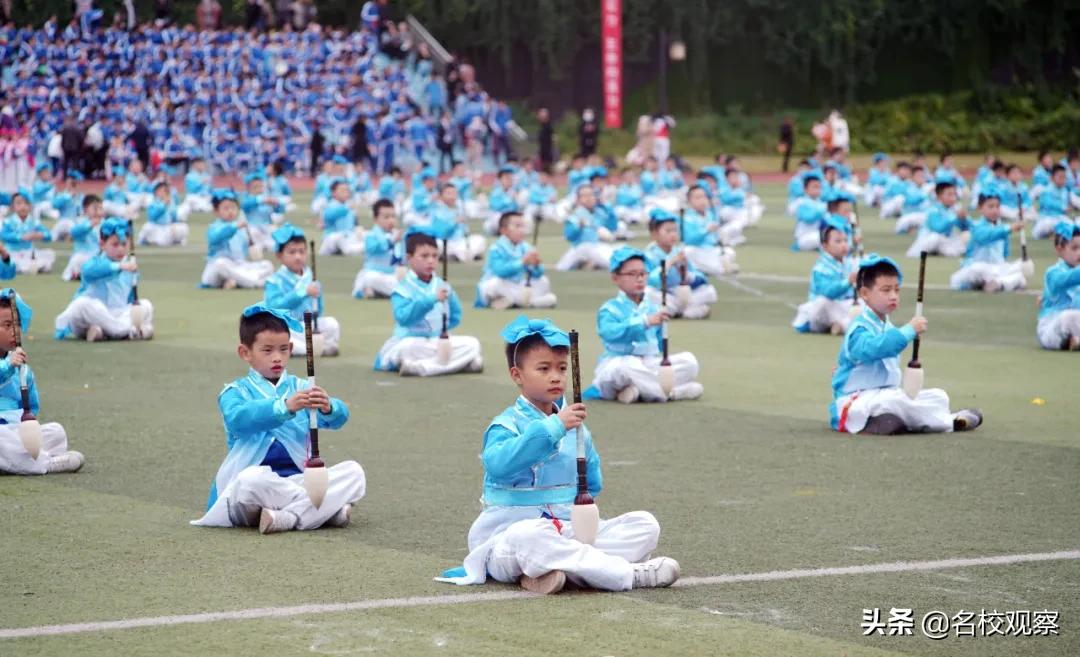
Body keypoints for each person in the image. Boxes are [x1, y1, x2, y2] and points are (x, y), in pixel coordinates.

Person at [435, 315, 680, 594]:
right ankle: (627, 574)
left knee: (644, 525)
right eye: (543, 368)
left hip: (566, 531)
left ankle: (554, 570)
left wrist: (581, 514)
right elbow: (498, 465)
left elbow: (593, 485)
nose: (555, 376)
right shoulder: (506, 425)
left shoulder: (578, 428)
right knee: (531, 536)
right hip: (507, 538)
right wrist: (555, 427)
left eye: (562, 368)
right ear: (517, 375)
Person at [190, 304, 365, 534]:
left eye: (283, 349)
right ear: (245, 353)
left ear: (291, 348)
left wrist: (329, 407)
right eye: (267, 350)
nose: (277, 358)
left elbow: (339, 418)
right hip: (255, 487)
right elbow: (238, 420)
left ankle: (287, 517)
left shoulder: (301, 386)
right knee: (250, 479)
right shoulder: (234, 392)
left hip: (297, 480)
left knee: (354, 472)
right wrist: (283, 407)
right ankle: (324, 510)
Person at [831, 254, 983, 435]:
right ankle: (950, 421)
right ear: (864, 294)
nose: (893, 296)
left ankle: (890, 422)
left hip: (885, 395)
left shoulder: (886, 325)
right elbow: (876, 347)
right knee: (895, 403)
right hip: (857, 400)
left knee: (938, 396)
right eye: (886, 290)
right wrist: (909, 330)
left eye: (897, 290)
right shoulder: (859, 328)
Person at [584, 247, 703, 404]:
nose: (639, 279)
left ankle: (638, 390)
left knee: (689, 362)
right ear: (615, 278)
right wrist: (645, 322)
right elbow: (610, 333)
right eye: (632, 274)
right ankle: (674, 393)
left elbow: (659, 345)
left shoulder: (653, 308)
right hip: (617, 364)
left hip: (647, 364)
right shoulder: (609, 309)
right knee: (627, 367)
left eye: (642, 274)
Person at [373, 229, 483, 376]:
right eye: (424, 256)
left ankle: (422, 367)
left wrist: (441, 332)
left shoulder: (443, 285)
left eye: (434, 256)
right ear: (409, 258)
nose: (430, 260)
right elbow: (403, 318)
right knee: (407, 348)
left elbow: (455, 317)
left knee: (472, 344)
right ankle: (457, 364)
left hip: (436, 341)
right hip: (411, 340)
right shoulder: (403, 288)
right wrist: (431, 300)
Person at [0, 290, 85, 475]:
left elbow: (32, 408)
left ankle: (17, 461)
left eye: (17, 324)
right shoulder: (11, 364)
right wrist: (8, 366)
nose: (15, 331)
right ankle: (46, 464)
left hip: (14, 431)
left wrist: (30, 429)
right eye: (7, 325)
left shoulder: (24, 370)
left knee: (56, 432)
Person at [54, 218, 153, 342]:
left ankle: (105, 332)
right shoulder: (96, 262)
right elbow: (88, 271)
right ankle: (128, 331)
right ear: (102, 244)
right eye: (115, 245)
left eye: (124, 244)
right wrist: (119, 266)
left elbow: (130, 300)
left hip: (117, 314)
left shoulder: (130, 268)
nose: (120, 249)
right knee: (82, 305)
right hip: (93, 314)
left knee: (145, 305)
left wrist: (135, 308)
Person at [264, 224, 340, 357]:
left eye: (302, 252)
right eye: (292, 252)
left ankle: (309, 348)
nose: (298, 257)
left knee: (332, 324)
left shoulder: (311, 279)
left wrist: (316, 298)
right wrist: (302, 293)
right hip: (285, 326)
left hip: (306, 325)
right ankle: (315, 348)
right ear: (279, 255)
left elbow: (319, 310)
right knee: (278, 335)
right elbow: (274, 307)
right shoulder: (274, 281)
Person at [644, 210, 716, 320]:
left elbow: (699, 277)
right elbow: (651, 281)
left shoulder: (679, 252)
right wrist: (670, 263)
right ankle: (687, 311)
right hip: (664, 295)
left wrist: (686, 274)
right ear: (654, 234)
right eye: (668, 231)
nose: (673, 234)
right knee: (647, 292)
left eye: (675, 230)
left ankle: (678, 311)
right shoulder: (650, 254)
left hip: (683, 295)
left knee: (709, 291)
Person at [476, 212, 556, 310]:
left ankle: (516, 302)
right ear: (504, 230)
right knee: (495, 284)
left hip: (515, 286)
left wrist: (536, 265)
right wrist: (523, 262)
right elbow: (500, 271)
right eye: (517, 226)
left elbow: (537, 273)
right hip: (500, 284)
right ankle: (529, 302)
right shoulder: (496, 248)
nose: (521, 230)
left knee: (543, 281)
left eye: (523, 226)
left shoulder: (526, 247)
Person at [949, 193, 1026, 292]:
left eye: (997, 207)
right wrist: (1009, 228)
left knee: (1020, 274)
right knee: (966, 275)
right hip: (979, 268)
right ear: (980, 208)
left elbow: (1005, 254)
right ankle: (997, 283)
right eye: (991, 206)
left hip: (997, 269)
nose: (995, 210)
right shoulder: (977, 226)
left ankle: (998, 284)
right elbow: (988, 235)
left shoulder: (1004, 229)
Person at [792, 217, 856, 335]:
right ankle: (842, 325)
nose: (843, 245)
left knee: (865, 303)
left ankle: (840, 325)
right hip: (823, 310)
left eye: (845, 240)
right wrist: (848, 282)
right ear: (825, 246)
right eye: (838, 241)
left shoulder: (849, 263)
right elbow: (828, 292)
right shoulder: (820, 268)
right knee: (823, 302)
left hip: (842, 306)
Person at [200, 189, 274, 289]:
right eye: (226, 208)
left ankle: (236, 282)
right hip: (216, 271)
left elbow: (243, 255)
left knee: (267, 265)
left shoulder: (241, 230)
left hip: (237, 267)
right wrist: (235, 226)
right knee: (221, 264)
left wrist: (252, 248)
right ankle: (256, 283)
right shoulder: (214, 227)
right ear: (216, 211)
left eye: (233, 207)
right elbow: (217, 236)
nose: (230, 211)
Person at [1036, 223, 1080, 351]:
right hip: (1051, 328)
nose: (1079, 252)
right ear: (1059, 249)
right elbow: (1063, 280)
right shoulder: (1052, 272)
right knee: (1067, 317)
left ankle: (1075, 340)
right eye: (1075, 248)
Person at [555, 185, 613, 271]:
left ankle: (591, 264)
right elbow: (569, 237)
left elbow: (613, 226)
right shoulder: (575, 216)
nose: (588, 198)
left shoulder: (600, 213)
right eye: (584, 196)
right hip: (580, 248)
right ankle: (588, 263)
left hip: (597, 246)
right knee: (561, 268)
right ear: (578, 200)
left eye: (591, 195)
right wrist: (579, 227)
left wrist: (607, 207)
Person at [353, 199, 402, 299]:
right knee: (370, 278)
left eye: (393, 217)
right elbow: (376, 248)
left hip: (391, 275)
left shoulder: (395, 236)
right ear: (375, 219)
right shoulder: (370, 236)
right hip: (373, 273)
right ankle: (377, 291)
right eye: (386, 217)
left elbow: (398, 259)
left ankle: (376, 292)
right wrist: (392, 242)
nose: (391, 220)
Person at [2, 194, 55, 274]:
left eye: (26, 203)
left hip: (29, 252)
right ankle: (31, 267)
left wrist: (40, 235)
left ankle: (31, 267)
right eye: (19, 203)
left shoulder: (34, 222)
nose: (23, 206)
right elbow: (4, 235)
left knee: (49, 254)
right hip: (13, 252)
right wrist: (20, 237)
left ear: (30, 206)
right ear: (12, 207)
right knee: (10, 260)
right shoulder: (8, 222)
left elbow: (49, 235)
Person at [62, 195, 104, 282]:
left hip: (99, 256)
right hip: (84, 255)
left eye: (100, 208)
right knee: (77, 259)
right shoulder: (80, 222)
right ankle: (76, 274)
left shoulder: (105, 223)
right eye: (95, 208)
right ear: (85, 210)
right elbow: (74, 233)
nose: (98, 211)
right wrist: (90, 225)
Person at [139, 182, 188, 247]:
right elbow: (152, 217)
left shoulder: (170, 202)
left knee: (183, 227)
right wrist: (164, 205)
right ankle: (147, 241)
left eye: (165, 191)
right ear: (156, 192)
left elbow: (174, 218)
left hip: (167, 228)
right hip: (156, 227)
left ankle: (174, 241)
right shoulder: (152, 203)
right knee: (147, 226)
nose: (163, 193)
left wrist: (170, 207)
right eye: (161, 191)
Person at [537, 108, 555, 173]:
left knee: (547, 167)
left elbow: (551, 139)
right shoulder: (542, 126)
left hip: (548, 150)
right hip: (543, 150)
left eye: (542, 116)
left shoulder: (548, 126)